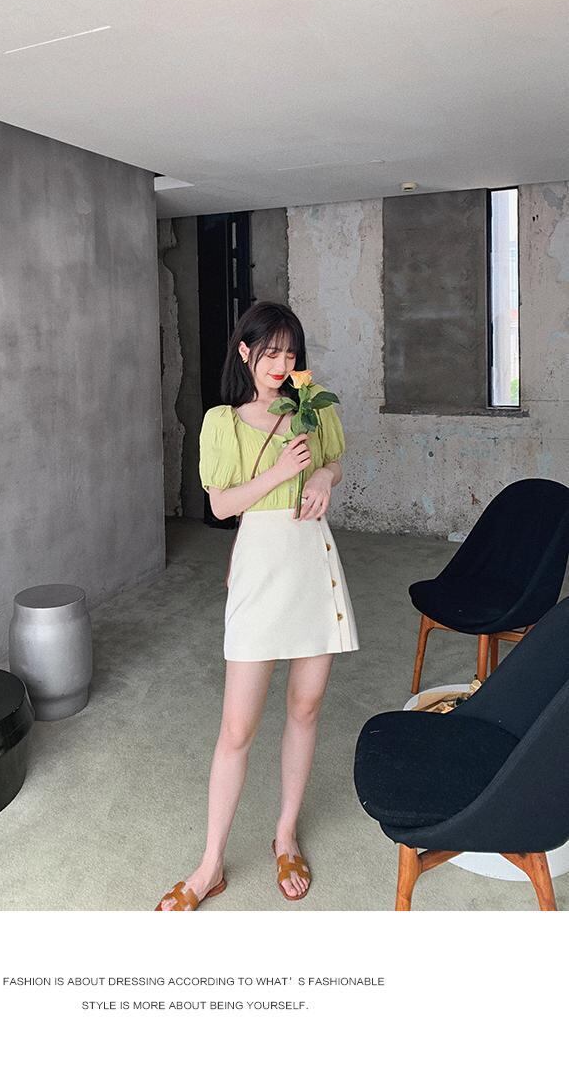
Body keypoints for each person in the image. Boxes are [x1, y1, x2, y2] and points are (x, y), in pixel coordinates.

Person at [156, 301, 357, 910]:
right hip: (260, 569)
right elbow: (221, 505)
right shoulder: (223, 421)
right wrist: (280, 471)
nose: (281, 364)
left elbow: (334, 461)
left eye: (290, 354)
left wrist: (321, 477)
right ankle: (210, 865)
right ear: (245, 352)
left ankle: (285, 834)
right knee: (237, 728)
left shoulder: (311, 406)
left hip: (312, 562)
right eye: (270, 352)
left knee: (306, 708)